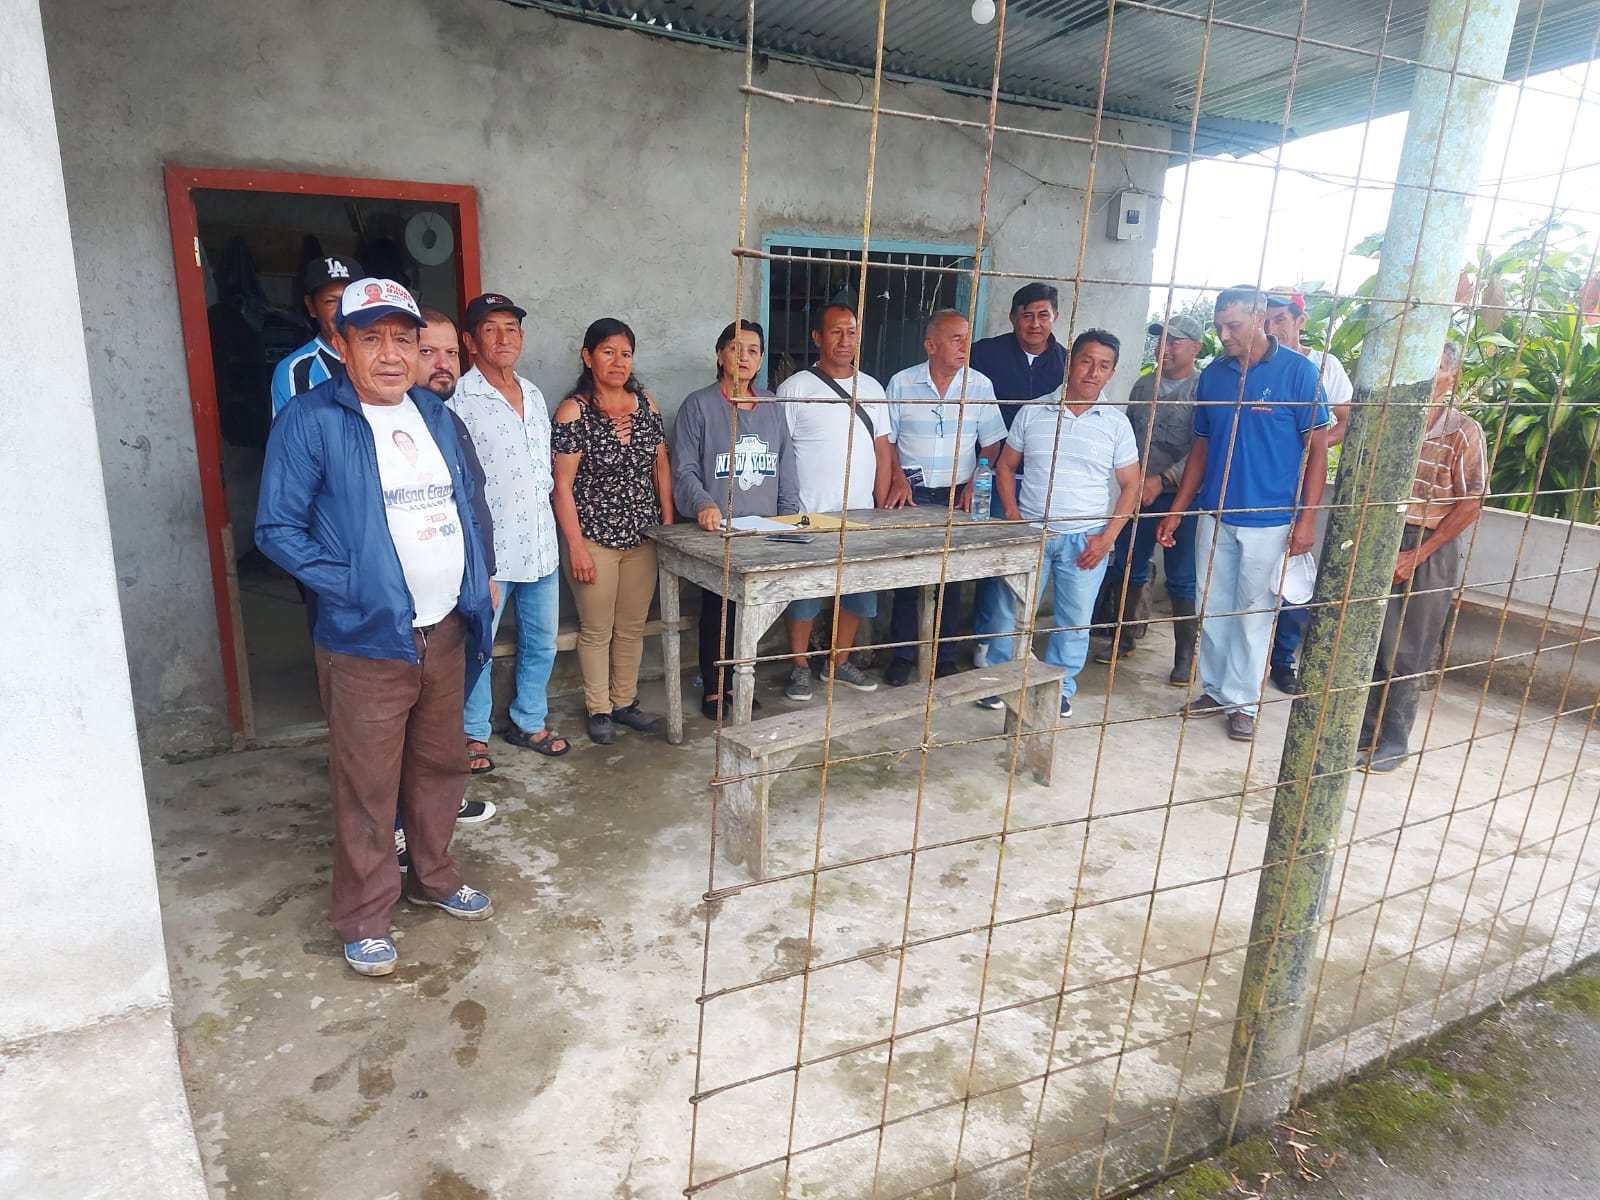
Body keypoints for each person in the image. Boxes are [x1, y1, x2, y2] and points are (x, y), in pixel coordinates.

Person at [255, 278, 496, 978]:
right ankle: (364, 916)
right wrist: (354, 585)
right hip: (365, 638)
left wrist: (476, 576)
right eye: (371, 338)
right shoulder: (310, 419)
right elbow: (277, 528)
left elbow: (467, 503)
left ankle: (434, 878)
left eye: (403, 339)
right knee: (366, 786)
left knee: (440, 765)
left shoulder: (434, 413)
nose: (391, 354)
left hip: (445, 626)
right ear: (341, 345)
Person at [1158, 286, 1331, 744]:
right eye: (1219, 326)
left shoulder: (1298, 373)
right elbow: (1201, 446)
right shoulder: (1214, 376)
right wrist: (1179, 509)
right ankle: (1215, 691)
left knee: (1254, 614)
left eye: (1232, 325)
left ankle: (1244, 704)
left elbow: (1317, 452)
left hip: (1269, 519)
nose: (1224, 335)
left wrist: (1307, 520)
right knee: (1212, 607)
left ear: (1259, 319)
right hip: (1214, 514)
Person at [978, 330, 1142, 718]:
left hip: (1086, 539)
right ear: (1070, 363)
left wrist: (1107, 538)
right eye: (1086, 361)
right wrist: (1012, 514)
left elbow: (1131, 485)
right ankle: (999, 679)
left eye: (1103, 366)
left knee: (1073, 621)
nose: (1093, 372)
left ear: (1112, 373)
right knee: (1009, 611)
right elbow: (1006, 466)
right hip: (1032, 532)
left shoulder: (1116, 424)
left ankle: (1060, 688)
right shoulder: (1033, 412)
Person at [447, 293, 570, 767]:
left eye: (511, 328)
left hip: (540, 547)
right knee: (478, 647)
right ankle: (472, 733)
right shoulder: (459, 399)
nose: (503, 338)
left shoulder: (534, 394)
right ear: (470, 341)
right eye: (490, 329)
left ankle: (529, 721)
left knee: (541, 643)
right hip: (491, 554)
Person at [1359, 342, 1485, 773]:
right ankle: (1364, 733)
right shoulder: (1395, 422)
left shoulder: (1463, 431)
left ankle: (1393, 741)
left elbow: (1471, 502)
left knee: (1409, 648)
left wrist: (1418, 554)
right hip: (1385, 537)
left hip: (1429, 543)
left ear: (1452, 377)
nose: (1427, 377)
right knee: (1374, 641)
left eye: (1437, 369)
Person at [776, 301, 907, 701]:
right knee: (803, 595)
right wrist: (786, 511)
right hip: (807, 514)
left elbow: (883, 450)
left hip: (860, 513)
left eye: (851, 332)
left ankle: (839, 660)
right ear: (817, 337)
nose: (845, 340)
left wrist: (879, 509)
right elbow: (780, 453)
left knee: (858, 591)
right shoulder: (796, 388)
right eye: (836, 331)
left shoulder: (872, 388)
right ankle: (799, 665)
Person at [552, 319, 674, 745]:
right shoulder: (573, 411)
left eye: (625, 354)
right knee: (596, 629)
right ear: (588, 357)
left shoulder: (646, 405)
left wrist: (668, 528)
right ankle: (599, 709)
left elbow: (661, 467)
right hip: (593, 539)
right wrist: (576, 547)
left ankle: (624, 703)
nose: (618, 361)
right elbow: (561, 486)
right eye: (608, 352)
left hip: (643, 537)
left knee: (632, 626)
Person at [672, 319, 800, 719]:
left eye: (753, 350)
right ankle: (715, 687)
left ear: (760, 361)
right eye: (735, 348)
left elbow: (786, 466)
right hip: (718, 531)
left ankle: (741, 682)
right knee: (718, 608)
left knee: (752, 611)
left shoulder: (771, 406)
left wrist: (790, 518)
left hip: (763, 531)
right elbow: (684, 469)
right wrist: (703, 504)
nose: (744, 357)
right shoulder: (699, 405)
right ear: (719, 354)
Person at [882, 309, 1006, 685]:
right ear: (931, 345)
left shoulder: (980, 385)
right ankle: (902, 657)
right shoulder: (902, 383)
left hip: (958, 495)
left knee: (952, 581)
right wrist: (897, 478)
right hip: (912, 497)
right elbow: (886, 441)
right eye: (956, 339)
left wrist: (975, 481)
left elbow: (992, 442)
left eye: (966, 339)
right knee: (908, 579)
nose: (964, 346)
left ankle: (945, 658)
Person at [1094, 315, 1203, 685]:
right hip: (1139, 495)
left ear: (1195, 348)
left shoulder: (1203, 389)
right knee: (1129, 565)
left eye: (1174, 341)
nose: (1164, 348)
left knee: (1182, 578)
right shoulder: (1144, 386)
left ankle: (1185, 657)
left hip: (1182, 499)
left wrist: (1165, 479)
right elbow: (1127, 439)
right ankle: (1123, 638)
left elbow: (1206, 448)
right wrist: (1135, 482)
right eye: (1160, 340)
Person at [968, 281, 1068, 666]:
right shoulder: (985, 355)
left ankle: (1014, 642)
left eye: (1043, 315)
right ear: (1013, 318)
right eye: (1027, 315)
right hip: (993, 476)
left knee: (1031, 564)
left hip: (1044, 480)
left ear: (1055, 317)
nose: (1035, 323)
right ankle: (986, 640)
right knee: (995, 561)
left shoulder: (1066, 363)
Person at [1264, 288, 1356, 692]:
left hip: (1302, 484)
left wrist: (1311, 446)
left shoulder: (1323, 365)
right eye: (1266, 321)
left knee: (1293, 570)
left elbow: (1347, 419)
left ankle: (1283, 660)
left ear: (1301, 321)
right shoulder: (1258, 362)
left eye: (1281, 320)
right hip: (1262, 481)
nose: (1273, 329)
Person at [270, 254, 363, 417]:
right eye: (331, 301)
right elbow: (292, 432)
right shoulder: (296, 371)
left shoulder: (387, 358)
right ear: (311, 307)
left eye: (351, 298)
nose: (343, 310)